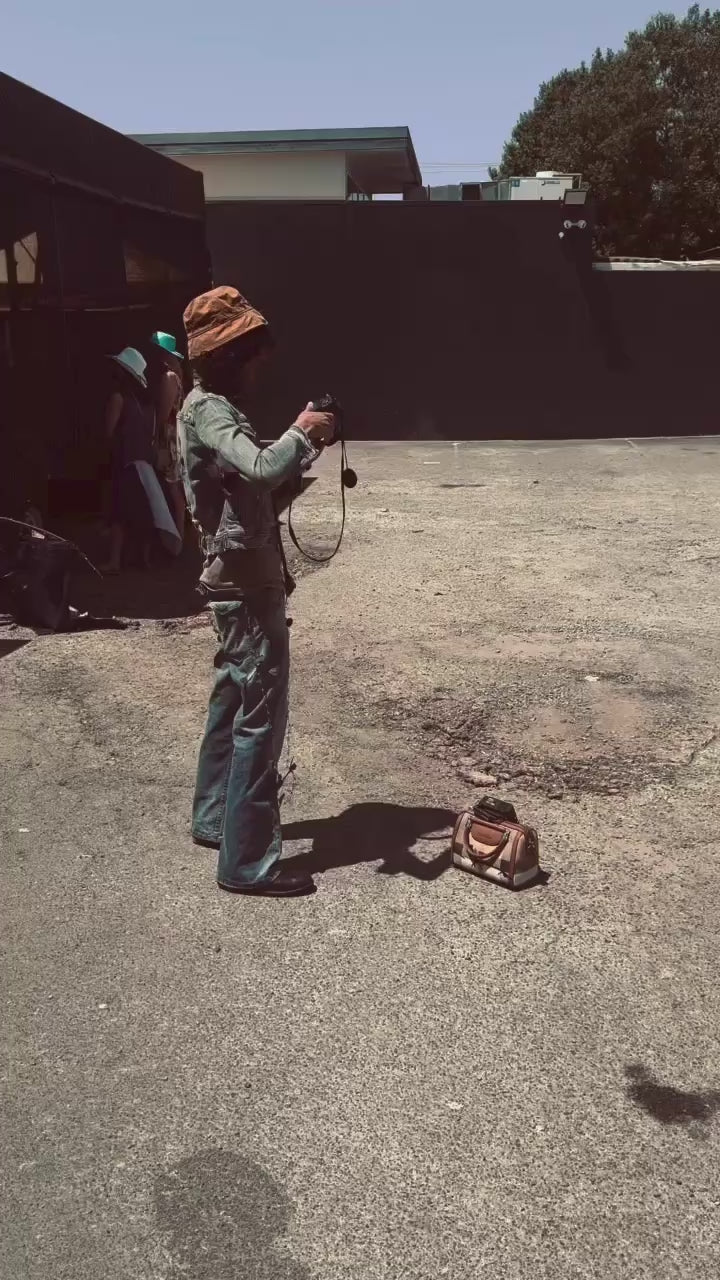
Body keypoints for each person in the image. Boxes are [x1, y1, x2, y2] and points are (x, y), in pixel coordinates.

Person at [179, 285, 336, 897]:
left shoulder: (202, 405)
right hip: (245, 586)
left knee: (232, 698)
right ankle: (247, 863)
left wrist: (295, 461)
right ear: (230, 354)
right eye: (252, 352)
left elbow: (248, 490)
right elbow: (264, 467)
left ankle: (215, 820)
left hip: (232, 578)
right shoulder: (211, 409)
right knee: (260, 715)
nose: (260, 364)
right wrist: (301, 433)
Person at [100, 347, 182, 574]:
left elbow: (109, 431)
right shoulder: (148, 403)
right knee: (144, 510)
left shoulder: (118, 397)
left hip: (125, 461)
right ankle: (144, 559)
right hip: (144, 462)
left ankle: (115, 561)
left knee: (119, 511)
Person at [150, 331, 186, 540]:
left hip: (169, 436)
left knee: (173, 488)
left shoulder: (169, 377)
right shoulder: (174, 376)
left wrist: (155, 438)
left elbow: (163, 413)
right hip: (172, 434)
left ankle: (178, 534)